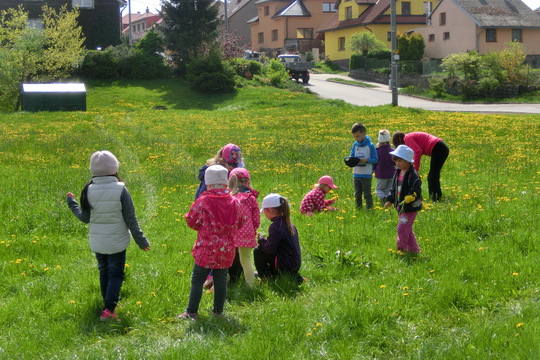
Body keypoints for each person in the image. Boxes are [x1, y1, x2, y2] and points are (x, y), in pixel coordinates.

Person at [66, 151, 151, 322]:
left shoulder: (87, 190)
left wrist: (71, 203)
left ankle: (107, 305)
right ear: (115, 168)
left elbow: (84, 218)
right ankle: (109, 310)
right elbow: (131, 219)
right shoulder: (121, 190)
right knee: (116, 274)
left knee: (104, 271)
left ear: (92, 170)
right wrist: (141, 240)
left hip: (98, 241)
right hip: (117, 241)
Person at [181, 165, 244, 320]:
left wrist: (201, 228)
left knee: (197, 279)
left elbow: (192, 220)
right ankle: (218, 312)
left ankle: (191, 312)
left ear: (208, 184)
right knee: (221, 279)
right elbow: (241, 221)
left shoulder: (203, 201)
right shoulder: (234, 202)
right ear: (226, 184)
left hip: (206, 248)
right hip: (227, 248)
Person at [254, 194, 303, 284]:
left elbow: (269, 249)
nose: (264, 214)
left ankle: (266, 277)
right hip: (294, 264)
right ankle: (289, 275)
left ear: (269, 210)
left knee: (258, 250)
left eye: (264, 211)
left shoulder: (276, 226)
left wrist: (261, 240)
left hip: (285, 265)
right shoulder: (288, 224)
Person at [384, 145, 423, 253]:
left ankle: (401, 249)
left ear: (408, 161)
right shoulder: (397, 173)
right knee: (407, 230)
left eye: (400, 160)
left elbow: (416, 191)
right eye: (396, 160)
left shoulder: (413, 175)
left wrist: (410, 197)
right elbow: (393, 189)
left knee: (401, 229)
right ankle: (415, 251)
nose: (397, 163)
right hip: (400, 206)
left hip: (410, 207)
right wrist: (390, 200)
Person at [227, 167, 260, 289]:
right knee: (246, 260)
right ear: (247, 183)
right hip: (247, 234)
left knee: (227, 260)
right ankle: (250, 286)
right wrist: (254, 229)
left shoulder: (229, 198)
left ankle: (226, 283)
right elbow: (256, 218)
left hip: (232, 234)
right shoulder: (250, 198)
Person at [392, 131, 449, 201]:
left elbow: (418, 151)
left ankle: (435, 198)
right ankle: (436, 197)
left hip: (438, 148)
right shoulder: (409, 137)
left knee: (433, 175)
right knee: (433, 175)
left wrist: (415, 171)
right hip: (440, 147)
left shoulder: (407, 138)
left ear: (400, 141)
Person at [348, 122, 378, 209]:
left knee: (367, 194)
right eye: (354, 136)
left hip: (366, 174)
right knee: (357, 194)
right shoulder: (355, 145)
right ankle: (358, 208)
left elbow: (375, 160)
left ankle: (370, 208)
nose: (356, 138)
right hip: (356, 173)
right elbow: (352, 155)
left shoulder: (370, 146)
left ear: (364, 133)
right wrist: (350, 160)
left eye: (357, 136)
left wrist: (366, 160)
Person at [373, 130, 395, 203]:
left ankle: (383, 199)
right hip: (392, 174)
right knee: (388, 189)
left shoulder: (377, 151)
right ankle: (387, 201)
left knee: (379, 189)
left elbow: (374, 162)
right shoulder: (393, 151)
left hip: (381, 175)